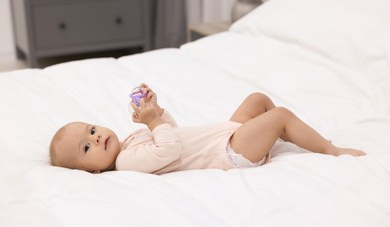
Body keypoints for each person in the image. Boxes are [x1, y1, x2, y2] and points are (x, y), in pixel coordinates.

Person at [50, 83, 366, 174]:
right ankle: (329, 148)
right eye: (87, 148)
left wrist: (157, 111)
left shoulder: (129, 138)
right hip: (228, 151)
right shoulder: (126, 162)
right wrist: (152, 122)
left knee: (257, 100)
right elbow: (169, 148)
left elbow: (170, 131)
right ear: (91, 171)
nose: (97, 138)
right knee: (279, 114)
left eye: (92, 130)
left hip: (224, 132)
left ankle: (278, 133)